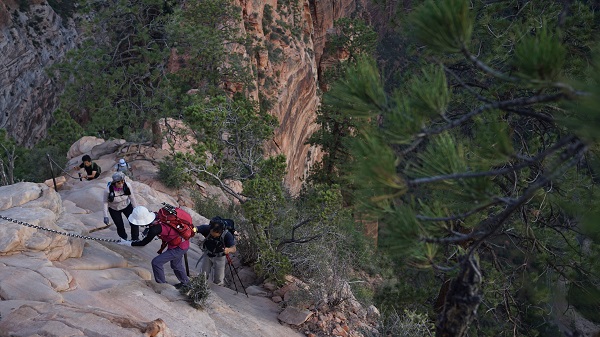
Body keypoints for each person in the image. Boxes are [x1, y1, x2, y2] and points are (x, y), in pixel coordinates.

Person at [118, 206, 190, 288]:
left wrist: (127, 243)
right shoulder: (157, 216)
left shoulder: (154, 229)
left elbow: (143, 243)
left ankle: (163, 286)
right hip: (181, 242)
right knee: (176, 265)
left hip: (178, 247)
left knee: (156, 262)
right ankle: (186, 284)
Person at [196, 217, 236, 286]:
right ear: (210, 228)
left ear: (221, 232)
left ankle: (217, 291)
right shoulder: (207, 228)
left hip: (220, 257)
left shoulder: (227, 235)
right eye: (212, 234)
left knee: (219, 279)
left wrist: (229, 250)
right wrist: (193, 230)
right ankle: (200, 287)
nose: (213, 236)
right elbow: (196, 228)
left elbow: (234, 249)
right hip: (208, 254)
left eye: (215, 235)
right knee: (203, 275)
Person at [103, 172, 138, 240]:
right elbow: (105, 202)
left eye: (122, 182)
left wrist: (136, 209)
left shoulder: (127, 186)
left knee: (134, 222)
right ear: (114, 183)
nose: (121, 185)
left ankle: (135, 238)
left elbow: (132, 198)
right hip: (114, 209)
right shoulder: (108, 190)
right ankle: (123, 238)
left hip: (126, 206)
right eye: (119, 183)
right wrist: (105, 216)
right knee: (119, 225)